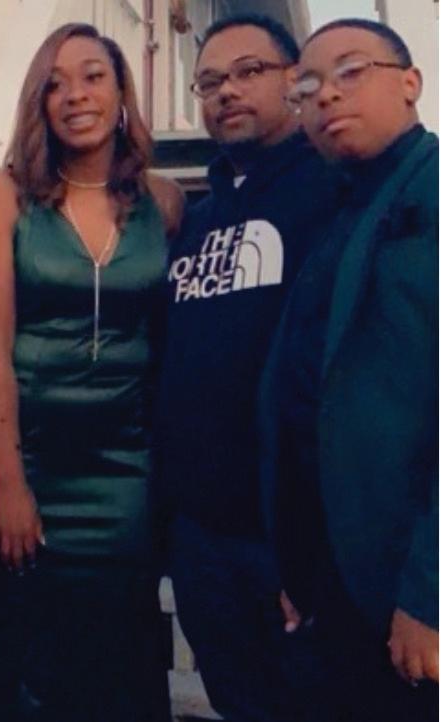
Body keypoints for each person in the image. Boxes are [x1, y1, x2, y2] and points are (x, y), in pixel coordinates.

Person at [0, 22, 183, 722]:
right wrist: (9, 482)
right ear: (39, 103)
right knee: (29, 668)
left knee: (121, 664)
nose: (75, 95)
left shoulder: (164, 202)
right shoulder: (6, 196)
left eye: (93, 76)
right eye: (54, 84)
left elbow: (166, 343)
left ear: (121, 92)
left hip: (127, 472)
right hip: (33, 466)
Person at [153, 14, 342, 722]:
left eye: (248, 72)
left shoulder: (333, 193)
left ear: (295, 79)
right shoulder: (199, 218)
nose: (226, 91)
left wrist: (312, 549)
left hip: (293, 545)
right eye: (209, 82)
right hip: (202, 541)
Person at [261, 18, 438, 722]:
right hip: (331, 578)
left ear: (410, 82)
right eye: (307, 85)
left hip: (405, 589)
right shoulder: (340, 209)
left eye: (351, 72)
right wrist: (296, 562)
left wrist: (431, 596)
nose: (327, 95)